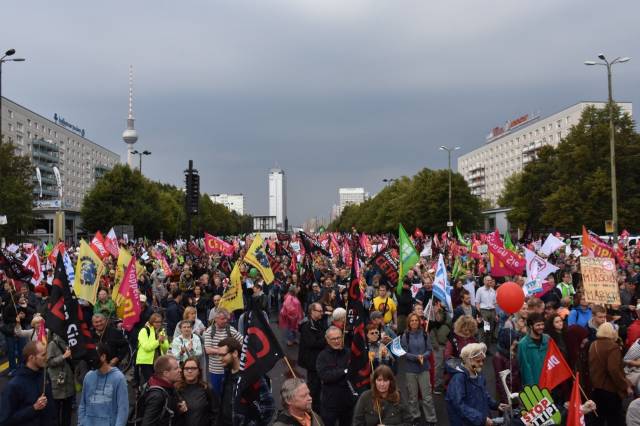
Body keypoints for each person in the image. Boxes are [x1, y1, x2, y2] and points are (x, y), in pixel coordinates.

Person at [445, 343, 508, 426]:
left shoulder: (478, 374)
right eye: (478, 361)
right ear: (467, 360)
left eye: (482, 361)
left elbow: (484, 393)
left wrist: (495, 405)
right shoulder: (459, 379)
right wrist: (480, 418)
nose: (481, 364)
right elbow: (459, 405)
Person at [216, 337, 275, 426]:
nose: (219, 359)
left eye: (223, 355)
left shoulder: (252, 376)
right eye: (218, 355)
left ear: (235, 353)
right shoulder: (227, 374)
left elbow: (268, 407)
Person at [0, 341, 55, 425]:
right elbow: (6, 420)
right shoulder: (14, 385)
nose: (47, 357)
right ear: (31, 358)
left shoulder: (44, 375)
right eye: (43, 355)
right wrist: (33, 408)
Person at [589, 322, 633, 426]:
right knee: (615, 419)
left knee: (598, 419)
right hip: (610, 390)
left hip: (596, 388)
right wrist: (625, 385)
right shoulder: (613, 347)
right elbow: (614, 369)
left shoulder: (593, 344)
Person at [78, 343, 129, 426]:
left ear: (103, 357)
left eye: (93, 356)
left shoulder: (119, 378)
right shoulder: (88, 376)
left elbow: (123, 410)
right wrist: (81, 423)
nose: (91, 360)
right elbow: (83, 405)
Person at [400, 312, 437, 426]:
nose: (414, 322)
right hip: (411, 370)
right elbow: (403, 352)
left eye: (416, 320)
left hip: (424, 369)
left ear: (419, 321)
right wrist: (416, 358)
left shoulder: (425, 334)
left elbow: (429, 350)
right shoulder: (405, 336)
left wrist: (423, 356)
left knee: (427, 397)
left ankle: (431, 419)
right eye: (412, 320)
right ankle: (415, 416)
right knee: (413, 397)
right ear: (409, 323)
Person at [316, 326, 354, 426]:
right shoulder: (322, 356)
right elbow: (324, 376)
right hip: (330, 402)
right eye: (333, 339)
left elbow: (354, 371)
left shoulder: (349, 353)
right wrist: (344, 371)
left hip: (347, 400)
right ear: (327, 340)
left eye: (339, 338)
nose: (337, 341)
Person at [203, 308, 242, 397]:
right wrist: (223, 351)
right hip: (215, 370)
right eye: (222, 319)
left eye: (226, 319)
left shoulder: (230, 329)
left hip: (229, 369)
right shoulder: (209, 331)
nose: (225, 321)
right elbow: (207, 350)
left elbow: (242, 341)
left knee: (229, 393)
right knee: (216, 394)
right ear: (216, 319)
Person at [140, 355, 186, 426]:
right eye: (176, 368)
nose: (180, 370)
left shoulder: (168, 386)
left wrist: (178, 410)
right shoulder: (157, 396)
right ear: (166, 374)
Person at [298, 303, 327, 413]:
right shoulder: (307, 326)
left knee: (317, 386)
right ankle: (312, 409)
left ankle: (315, 406)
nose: (322, 313)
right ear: (312, 312)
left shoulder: (318, 323)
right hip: (311, 361)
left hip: (316, 360)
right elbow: (312, 343)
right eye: (319, 311)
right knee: (313, 386)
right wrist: (326, 339)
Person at [175, 357, 219, 426]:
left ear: (199, 371)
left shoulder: (207, 388)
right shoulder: (176, 389)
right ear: (182, 371)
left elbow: (215, 413)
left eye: (193, 368)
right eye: (186, 368)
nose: (189, 371)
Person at [47, 333, 75, 426]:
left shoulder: (72, 342)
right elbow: (49, 362)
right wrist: (63, 357)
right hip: (57, 382)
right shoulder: (53, 344)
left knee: (67, 412)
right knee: (55, 412)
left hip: (69, 382)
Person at [137, 312, 170, 385]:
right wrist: (158, 341)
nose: (158, 324)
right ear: (151, 321)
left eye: (160, 322)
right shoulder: (144, 331)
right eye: (156, 322)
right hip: (146, 362)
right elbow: (147, 347)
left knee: (157, 382)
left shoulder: (161, 331)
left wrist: (163, 341)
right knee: (149, 383)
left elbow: (165, 348)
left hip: (157, 361)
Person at [517, 313, 549, 386]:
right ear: (531, 326)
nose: (541, 327)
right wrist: (532, 388)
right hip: (533, 386)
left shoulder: (547, 339)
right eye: (538, 325)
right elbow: (524, 368)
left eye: (542, 324)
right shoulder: (523, 344)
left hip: (548, 383)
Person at [475, 275, 497, 348]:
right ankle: (481, 349)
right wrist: (479, 314)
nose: (489, 281)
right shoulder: (480, 290)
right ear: (484, 281)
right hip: (484, 312)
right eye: (488, 280)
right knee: (484, 330)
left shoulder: (493, 291)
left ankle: (487, 349)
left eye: (490, 280)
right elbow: (477, 302)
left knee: (490, 331)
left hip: (492, 312)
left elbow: (494, 303)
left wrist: (495, 314)